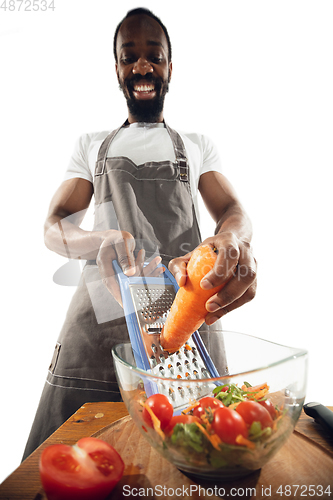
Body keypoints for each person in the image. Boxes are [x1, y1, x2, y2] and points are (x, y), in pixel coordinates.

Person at [22, 7, 257, 460]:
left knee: (202, 458)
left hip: (186, 316)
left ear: (170, 66)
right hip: (97, 322)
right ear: (117, 69)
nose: (142, 66)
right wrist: (97, 241)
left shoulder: (197, 144)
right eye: (129, 57)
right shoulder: (91, 144)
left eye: (155, 55)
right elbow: (54, 225)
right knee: (69, 463)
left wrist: (231, 239)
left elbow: (232, 210)